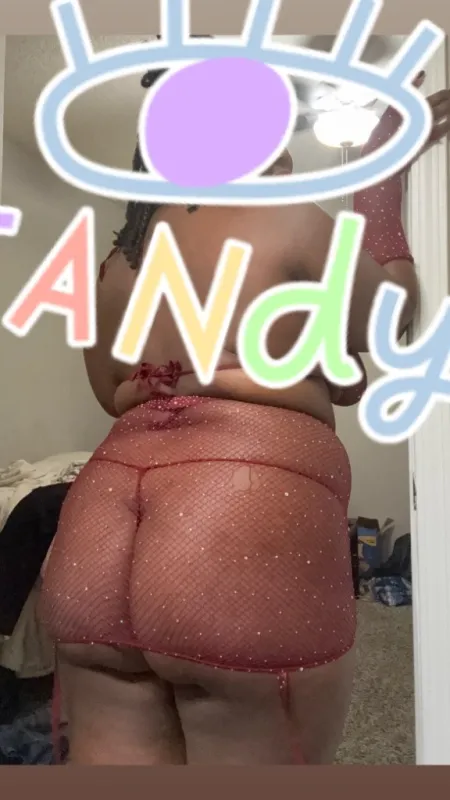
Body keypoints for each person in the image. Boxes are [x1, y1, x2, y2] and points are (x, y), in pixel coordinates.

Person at [39, 66, 450, 765]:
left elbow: (113, 392)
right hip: (239, 506)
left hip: (101, 516)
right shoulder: (288, 218)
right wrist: (380, 182)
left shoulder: (115, 263)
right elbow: (389, 318)